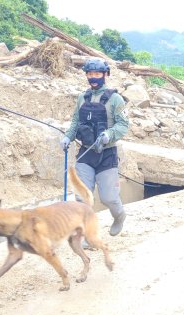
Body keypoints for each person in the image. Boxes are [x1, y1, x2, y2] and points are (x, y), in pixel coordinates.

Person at [60, 58, 129, 236]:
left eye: (97, 74)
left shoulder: (116, 99)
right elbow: (76, 121)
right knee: (82, 197)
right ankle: (84, 235)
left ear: (105, 74)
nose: (93, 77)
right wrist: (68, 136)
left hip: (107, 155)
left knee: (109, 198)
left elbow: (123, 125)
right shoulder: (82, 97)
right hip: (86, 153)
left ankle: (119, 216)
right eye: (90, 74)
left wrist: (109, 135)